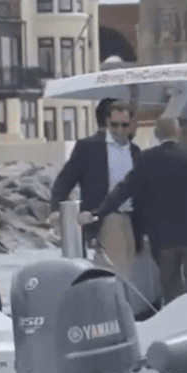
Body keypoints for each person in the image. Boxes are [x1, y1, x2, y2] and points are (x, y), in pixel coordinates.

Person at [95, 116, 187, 304]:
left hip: (163, 236)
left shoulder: (147, 159)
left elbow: (124, 189)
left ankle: (174, 323)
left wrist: (99, 212)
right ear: (178, 133)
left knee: (170, 286)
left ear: (157, 134)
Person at [50, 100, 141, 264]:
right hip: (103, 217)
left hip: (132, 218)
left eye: (124, 125)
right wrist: (56, 209)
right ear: (107, 122)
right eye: (114, 125)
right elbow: (66, 179)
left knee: (129, 266)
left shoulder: (135, 152)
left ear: (131, 125)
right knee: (115, 268)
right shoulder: (89, 147)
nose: (119, 130)